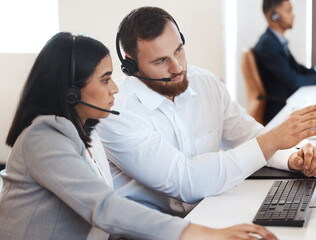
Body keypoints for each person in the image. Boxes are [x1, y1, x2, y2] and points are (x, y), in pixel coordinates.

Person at [0, 32, 279, 240]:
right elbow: (104, 207)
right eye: (105, 79)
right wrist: (199, 232)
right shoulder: (44, 136)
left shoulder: (83, 130)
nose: (115, 90)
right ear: (72, 91)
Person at [96, 6, 316, 218]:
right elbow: (184, 181)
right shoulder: (115, 111)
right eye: (160, 61)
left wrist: (292, 158)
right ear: (131, 65)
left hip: (212, 209)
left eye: (179, 50)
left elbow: (249, 136)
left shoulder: (205, 83)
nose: (177, 68)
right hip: (157, 230)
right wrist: (273, 139)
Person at [253, 0, 316, 124]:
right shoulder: (268, 45)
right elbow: (294, 80)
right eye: (288, 11)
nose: (293, 15)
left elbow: (298, 69)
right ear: (274, 16)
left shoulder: (276, 41)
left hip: (289, 104)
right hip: (280, 111)